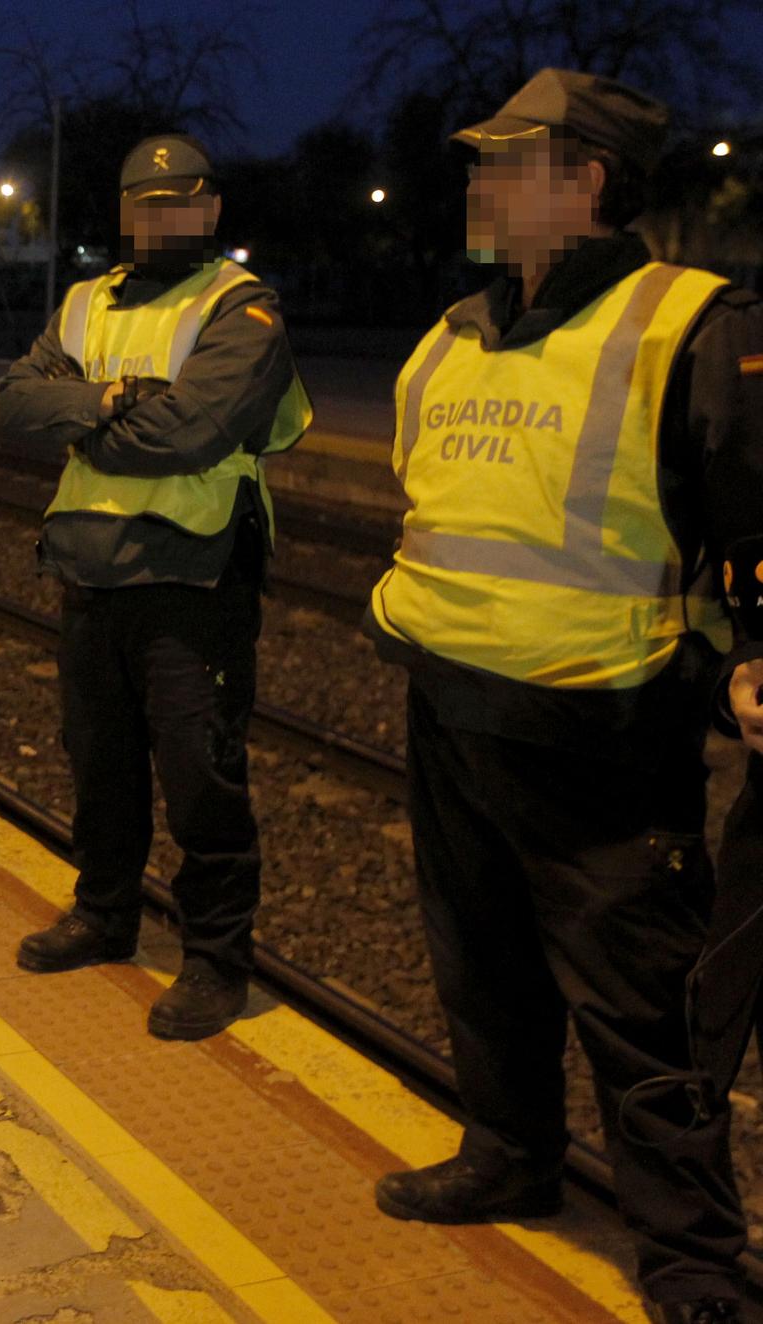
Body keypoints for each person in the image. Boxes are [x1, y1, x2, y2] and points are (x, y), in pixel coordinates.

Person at [363, 69, 763, 1322]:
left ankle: (691, 1259)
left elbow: (747, 502)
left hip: (601, 733)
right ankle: (507, 1155)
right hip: (450, 710)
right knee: (479, 965)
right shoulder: (453, 331)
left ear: (582, 183)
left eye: (503, 162)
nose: (476, 185)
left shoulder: (689, 325)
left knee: (637, 1002)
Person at [0, 134, 311, 1041]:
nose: (165, 217)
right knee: (98, 759)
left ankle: (216, 960)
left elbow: (189, 435)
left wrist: (84, 423)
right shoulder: (85, 301)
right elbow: (14, 402)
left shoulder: (243, 310)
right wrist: (107, 403)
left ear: (210, 211)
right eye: (148, 202)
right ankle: (105, 915)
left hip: (194, 573)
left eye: (184, 202)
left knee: (200, 773)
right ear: (126, 212)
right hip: (91, 569)